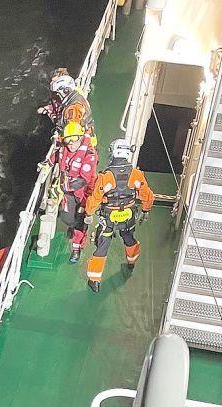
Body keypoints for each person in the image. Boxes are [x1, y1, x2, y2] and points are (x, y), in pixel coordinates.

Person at [83, 139, 154, 293]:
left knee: (102, 246)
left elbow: (95, 198)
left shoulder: (105, 177)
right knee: (129, 239)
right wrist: (145, 210)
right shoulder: (136, 175)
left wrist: (88, 213)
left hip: (109, 218)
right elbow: (147, 195)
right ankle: (131, 263)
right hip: (128, 217)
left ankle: (94, 281)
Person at [43, 121, 98, 264]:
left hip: (84, 193)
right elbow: (57, 156)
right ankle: (72, 226)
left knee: (80, 220)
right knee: (67, 218)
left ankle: (77, 248)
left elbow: (83, 180)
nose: (71, 144)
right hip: (68, 191)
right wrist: (47, 163)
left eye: (73, 141)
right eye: (67, 141)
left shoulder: (89, 155)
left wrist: (63, 187)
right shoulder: (65, 148)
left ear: (80, 138)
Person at [37, 69, 96, 144]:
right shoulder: (76, 99)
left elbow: (72, 138)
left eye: (59, 93)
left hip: (84, 143)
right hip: (86, 139)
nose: (58, 95)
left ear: (66, 91)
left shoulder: (73, 109)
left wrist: (58, 140)